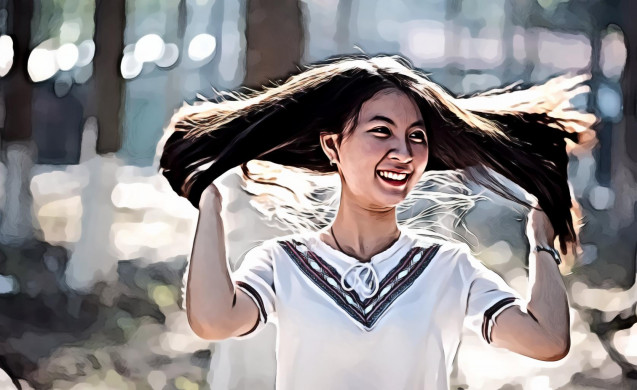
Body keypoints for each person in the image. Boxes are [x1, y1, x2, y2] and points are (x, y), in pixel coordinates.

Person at [159, 54, 596, 389]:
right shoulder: (283, 263)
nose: (403, 154)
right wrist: (210, 205)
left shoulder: (448, 267)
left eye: (416, 137)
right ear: (333, 146)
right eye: (381, 131)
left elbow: (547, 341)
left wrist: (540, 238)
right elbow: (214, 321)